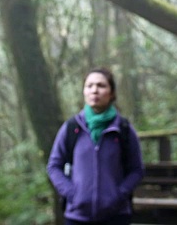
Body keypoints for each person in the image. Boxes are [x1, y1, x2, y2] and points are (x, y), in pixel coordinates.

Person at [47, 68, 144, 225]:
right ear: (84, 92)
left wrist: (119, 195)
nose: (94, 90)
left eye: (101, 85)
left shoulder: (123, 129)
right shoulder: (72, 127)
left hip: (116, 216)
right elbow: (54, 166)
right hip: (76, 217)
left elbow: (137, 170)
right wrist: (72, 193)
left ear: (111, 93)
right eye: (89, 85)